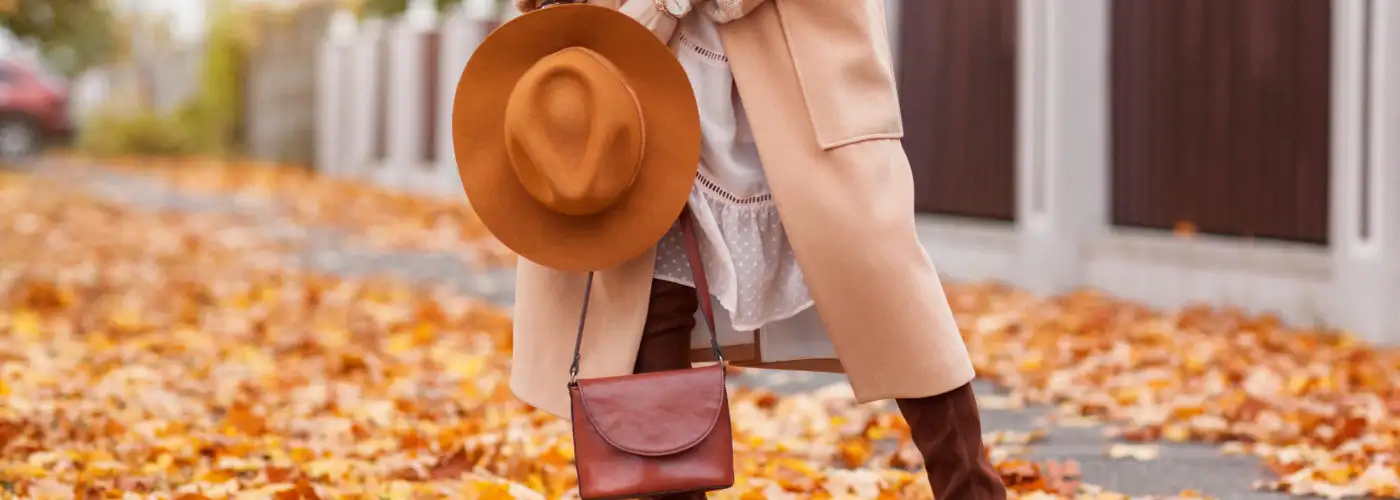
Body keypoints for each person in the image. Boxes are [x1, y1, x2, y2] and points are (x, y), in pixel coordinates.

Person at [505, 0, 1009, 498]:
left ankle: (971, 490)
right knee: (645, 298)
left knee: (888, 292)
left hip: (802, 61)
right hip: (641, 67)